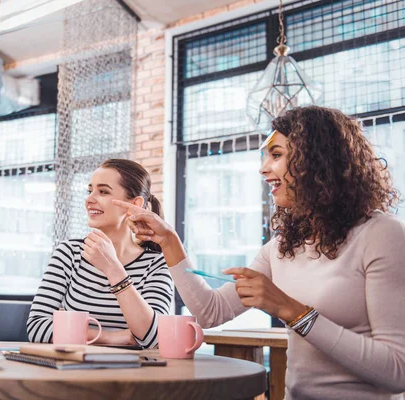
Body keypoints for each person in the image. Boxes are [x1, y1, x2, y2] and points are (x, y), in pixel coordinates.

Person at [115, 106, 405, 399]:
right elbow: (210, 312)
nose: (263, 168)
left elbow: (397, 371)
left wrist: (293, 312)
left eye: (276, 155)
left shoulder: (381, 235)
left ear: (317, 161)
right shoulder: (282, 247)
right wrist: (169, 241)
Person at [27, 159, 174, 349]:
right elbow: (37, 327)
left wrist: (113, 269)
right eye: (90, 191)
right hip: (74, 371)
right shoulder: (69, 254)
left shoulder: (157, 264)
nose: (89, 199)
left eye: (103, 191)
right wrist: (112, 337)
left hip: (135, 374)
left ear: (134, 204)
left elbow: (154, 339)